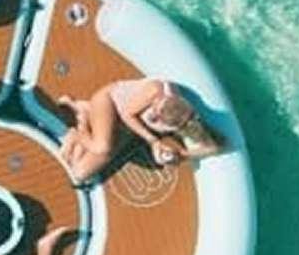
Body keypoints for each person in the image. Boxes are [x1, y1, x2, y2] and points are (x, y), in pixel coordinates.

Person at [57, 77, 225, 184]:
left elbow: (215, 147)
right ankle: (78, 129)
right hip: (110, 103)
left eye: (157, 116)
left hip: (126, 128)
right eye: (157, 107)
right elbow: (127, 114)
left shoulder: (184, 119)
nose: (154, 112)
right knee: (102, 147)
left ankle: (85, 113)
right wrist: (153, 141)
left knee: (80, 173)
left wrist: (182, 155)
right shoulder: (155, 90)